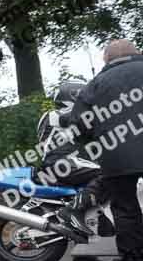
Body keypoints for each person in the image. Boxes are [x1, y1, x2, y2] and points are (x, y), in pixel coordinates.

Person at [70, 39, 143, 261]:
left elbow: (79, 125)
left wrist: (96, 141)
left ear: (107, 59)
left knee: (126, 208)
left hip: (118, 155)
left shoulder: (96, 84)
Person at [40, 82, 109, 239]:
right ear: (73, 95)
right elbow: (86, 118)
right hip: (59, 162)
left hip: (66, 162)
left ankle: (96, 227)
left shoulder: (71, 121)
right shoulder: (54, 115)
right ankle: (72, 210)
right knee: (108, 173)